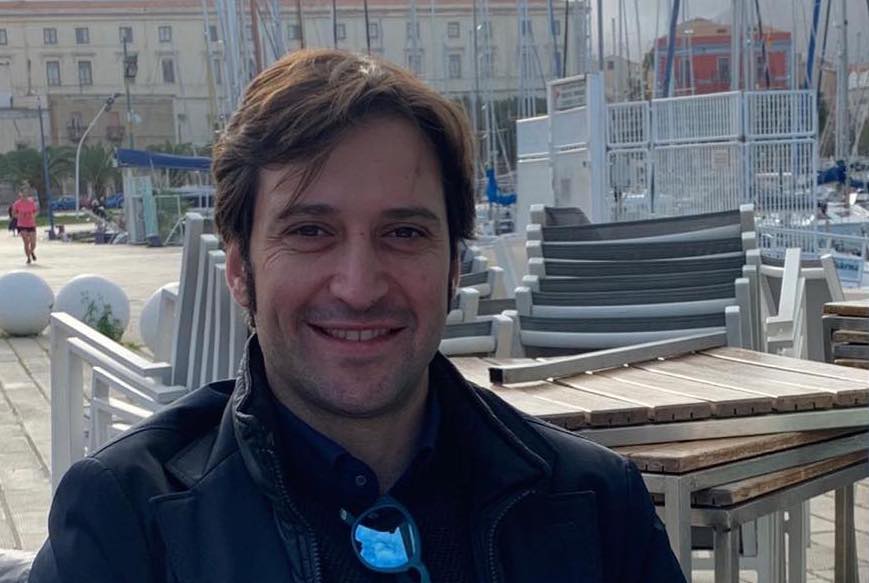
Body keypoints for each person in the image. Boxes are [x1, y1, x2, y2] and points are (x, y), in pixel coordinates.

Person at [30, 49, 685, 583]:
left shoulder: (594, 505)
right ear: (239, 269)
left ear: (453, 267)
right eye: (310, 231)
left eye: (403, 233)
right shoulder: (128, 519)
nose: (359, 286)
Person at [11, 185, 38, 264]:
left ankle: (31, 251)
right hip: (22, 225)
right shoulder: (17, 204)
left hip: (31, 224)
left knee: (33, 243)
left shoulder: (31, 202)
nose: (25, 194)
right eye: (23, 192)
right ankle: (28, 258)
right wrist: (19, 216)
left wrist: (33, 215)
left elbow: (35, 211)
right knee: (26, 242)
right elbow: (13, 214)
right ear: (20, 193)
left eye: (26, 192)